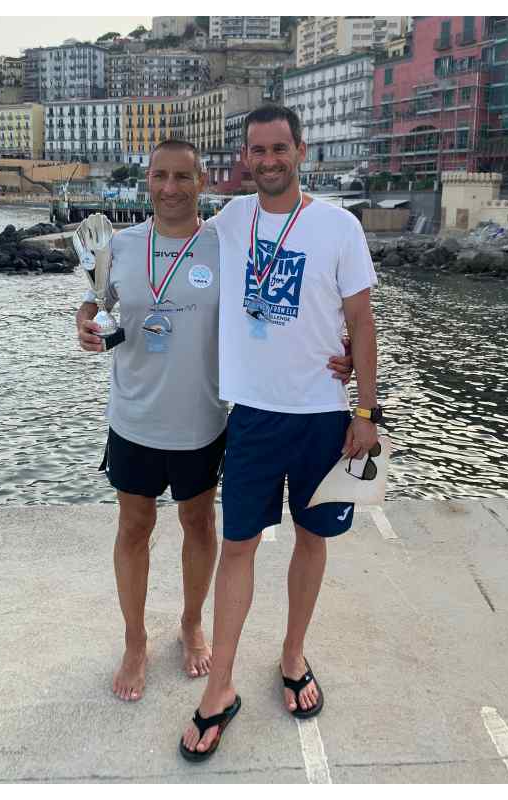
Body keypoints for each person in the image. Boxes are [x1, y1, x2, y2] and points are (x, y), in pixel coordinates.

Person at [77, 140, 353, 702]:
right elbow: (95, 303)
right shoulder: (121, 247)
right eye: (160, 176)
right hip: (132, 418)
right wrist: (84, 322)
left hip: (204, 420)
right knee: (133, 528)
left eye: (183, 177)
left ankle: (190, 622)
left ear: (202, 182)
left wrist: (339, 348)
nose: (170, 188)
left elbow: (281, 310)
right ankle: (134, 641)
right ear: (146, 182)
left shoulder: (226, 243)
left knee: (199, 527)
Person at [179, 104, 380, 762]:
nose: (268, 160)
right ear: (244, 158)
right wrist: (96, 308)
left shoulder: (338, 226)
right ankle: (220, 686)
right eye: (256, 151)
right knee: (238, 546)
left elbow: (363, 321)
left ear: (301, 149)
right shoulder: (228, 223)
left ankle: (293, 654)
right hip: (254, 418)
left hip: (324, 415)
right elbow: (165, 256)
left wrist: (367, 412)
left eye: (278, 148)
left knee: (313, 538)